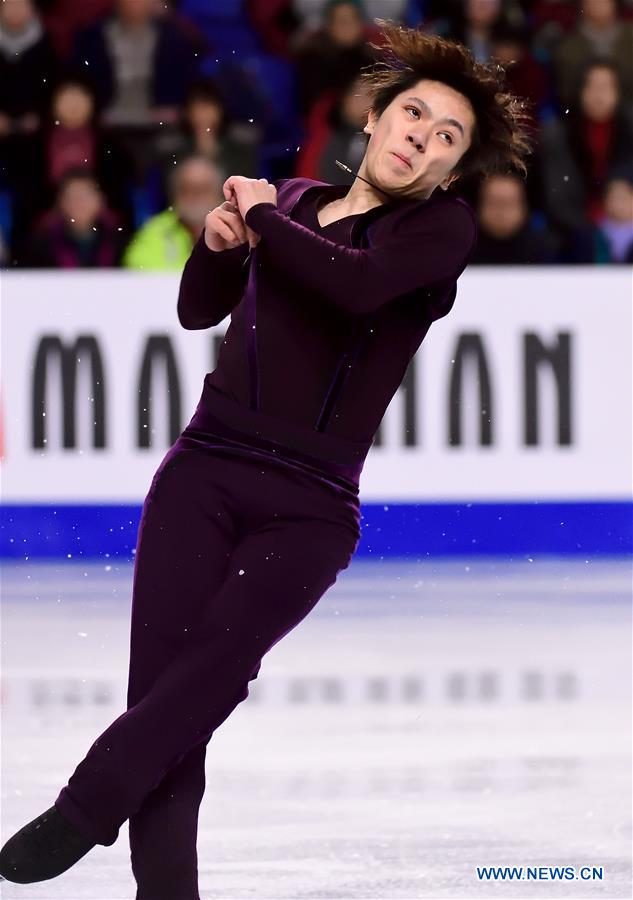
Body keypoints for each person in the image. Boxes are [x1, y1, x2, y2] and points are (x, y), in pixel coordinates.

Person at [0, 20, 533, 895]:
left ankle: (84, 809)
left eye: (447, 138)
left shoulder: (438, 233)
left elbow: (351, 285)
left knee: (212, 667)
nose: (422, 139)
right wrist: (217, 245)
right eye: (412, 115)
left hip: (310, 504)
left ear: (449, 170)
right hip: (202, 472)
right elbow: (197, 312)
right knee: (166, 710)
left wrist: (254, 217)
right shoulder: (285, 202)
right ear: (372, 117)